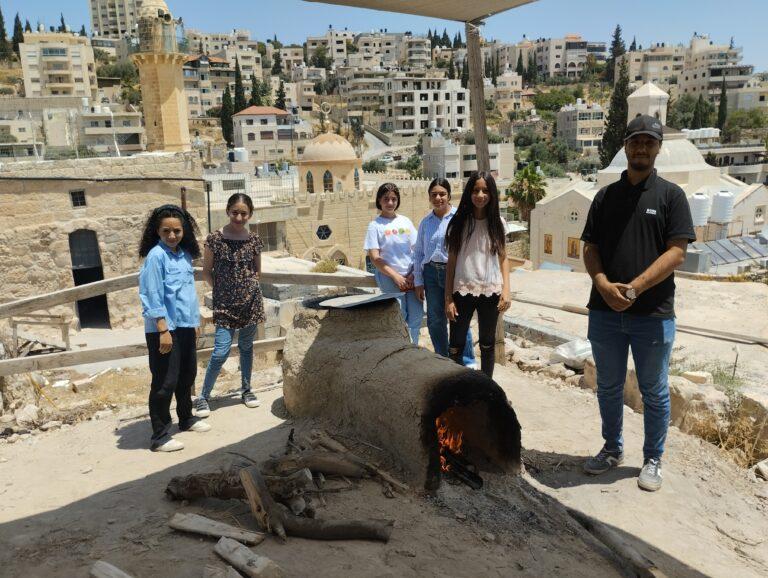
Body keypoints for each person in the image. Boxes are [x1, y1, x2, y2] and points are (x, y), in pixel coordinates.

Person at [581, 115, 695, 492]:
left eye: (649, 141)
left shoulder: (671, 196)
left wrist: (634, 289)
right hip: (605, 312)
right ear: (625, 146)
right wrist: (602, 283)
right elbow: (591, 248)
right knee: (609, 386)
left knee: (654, 390)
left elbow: (676, 253)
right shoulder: (605, 197)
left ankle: (653, 459)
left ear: (658, 147)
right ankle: (612, 449)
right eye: (635, 141)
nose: (641, 148)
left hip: (652, 315)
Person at [139, 204, 210, 452]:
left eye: (177, 231)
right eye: (166, 231)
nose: (172, 235)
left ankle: (186, 418)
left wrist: (194, 322)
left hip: (184, 325)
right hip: (164, 329)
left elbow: (187, 293)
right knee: (164, 381)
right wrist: (162, 329)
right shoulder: (156, 257)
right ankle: (159, 436)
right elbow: (151, 294)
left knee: (186, 375)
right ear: (157, 231)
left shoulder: (184, 255)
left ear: (184, 231)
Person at [195, 193, 265, 417]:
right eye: (235, 212)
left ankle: (246, 390)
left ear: (250, 215)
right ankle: (203, 396)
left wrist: (250, 286)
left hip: (250, 304)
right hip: (225, 305)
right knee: (220, 352)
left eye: (244, 213)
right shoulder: (215, 239)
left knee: (246, 348)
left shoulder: (253, 239)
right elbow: (206, 272)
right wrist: (222, 291)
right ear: (227, 211)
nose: (239, 216)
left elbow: (257, 271)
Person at [445, 172, 511, 378]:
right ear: (469, 193)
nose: (480, 195)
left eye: (485, 190)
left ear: (492, 194)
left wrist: (507, 291)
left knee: (487, 344)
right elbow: (452, 262)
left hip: (491, 291)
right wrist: (448, 298)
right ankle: (455, 387)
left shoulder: (498, 223)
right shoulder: (459, 223)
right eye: (475, 190)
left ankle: (487, 390)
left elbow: (503, 258)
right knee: (456, 344)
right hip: (462, 290)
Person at [413, 178, 477, 367]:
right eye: (434, 194)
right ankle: (442, 359)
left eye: (442, 194)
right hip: (431, 274)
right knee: (435, 319)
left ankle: (466, 361)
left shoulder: (460, 218)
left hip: (456, 273)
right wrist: (418, 280)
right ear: (429, 197)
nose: (438, 198)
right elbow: (418, 253)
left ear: (449, 195)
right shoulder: (426, 222)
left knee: (459, 317)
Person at [364, 182, 424, 343]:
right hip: (390, 278)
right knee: (399, 316)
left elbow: (417, 250)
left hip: (411, 277)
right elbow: (375, 258)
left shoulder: (405, 221)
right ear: (379, 200)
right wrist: (396, 277)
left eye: (393, 199)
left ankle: (414, 351)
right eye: (386, 199)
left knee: (416, 317)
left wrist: (412, 275)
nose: (390, 203)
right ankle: (402, 352)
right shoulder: (375, 226)